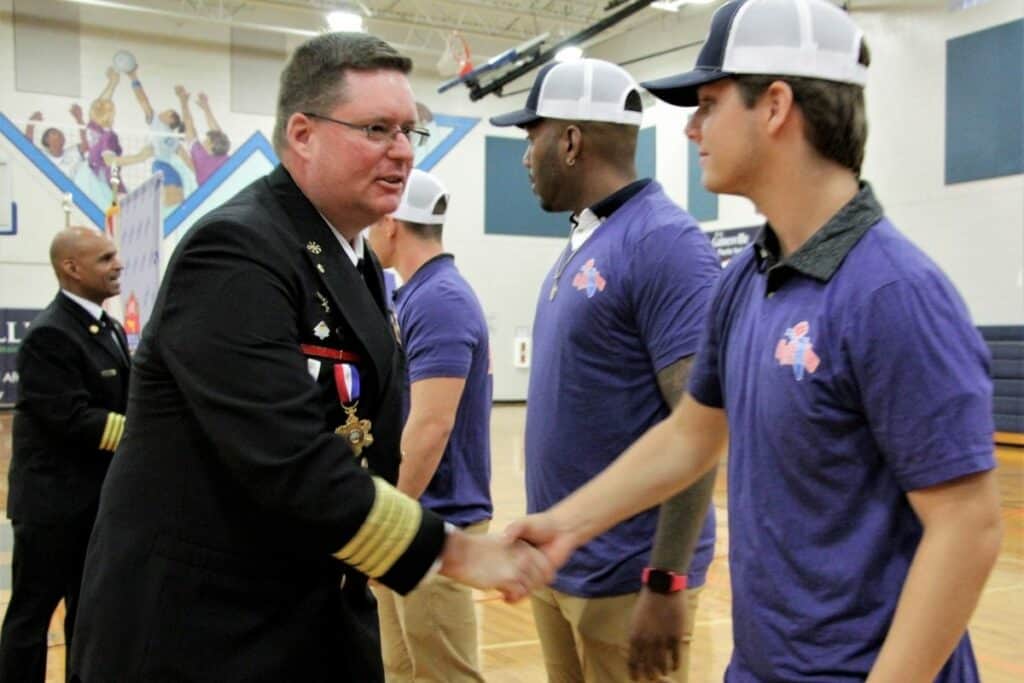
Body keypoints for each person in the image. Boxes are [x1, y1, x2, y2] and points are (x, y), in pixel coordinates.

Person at [508, 1, 1003, 681]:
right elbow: (691, 435)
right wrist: (562, 523)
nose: (690, 128)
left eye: (709, 103)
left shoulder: (894, 293)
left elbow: (968, 527)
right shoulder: (746, 278)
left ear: (774, 107)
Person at [67, 32, 550, 683]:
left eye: (411, 131)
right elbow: (287, 457)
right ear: (302, 133)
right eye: (378, 128)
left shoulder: (353, 263)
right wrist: (456, 551)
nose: (403, 151)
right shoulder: (235, 251)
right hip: (203, 632)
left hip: (305, 607)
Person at [490, 58, 721, 683]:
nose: (525, 156)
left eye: (531, 137)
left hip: (629, 581)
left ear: (569, 141)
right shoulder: (585, 240)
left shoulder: (665, 244)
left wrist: (667, 578)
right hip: (562, 567)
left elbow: (699, 427)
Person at [366, 169, 493, 682]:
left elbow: (430, 427)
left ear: (391, 222)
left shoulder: (439, 299)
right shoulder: (416, 294)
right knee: (402, 671)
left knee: (445, 676)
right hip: (412, 519)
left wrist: (384, 522)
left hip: (434, 524)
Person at [0, 227, 128, 683]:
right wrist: (143, 434)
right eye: (105, 258)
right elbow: (71, 418)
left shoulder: (105, 325)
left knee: (88, 612)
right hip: (52, 506)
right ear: (71, 268)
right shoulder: (49, 334)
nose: (119, 265)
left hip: (93, 501)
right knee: (31, 617)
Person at [108, 64, 196, 208]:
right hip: (162, 168)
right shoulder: (159, 128)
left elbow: (186, 158)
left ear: (171, 119)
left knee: (173, 207)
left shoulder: (166, 132)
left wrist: (133, 77)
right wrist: (133, 78)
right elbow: (143, 100)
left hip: (166, 169)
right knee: (171, 207)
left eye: (166, 112)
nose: (161, 112)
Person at [175, 86, 231, 184]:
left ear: (211, 146)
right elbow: (218, 134)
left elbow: (189, 125)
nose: (203, 142)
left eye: (206, 140)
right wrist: (206, 107)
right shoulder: (225, 159)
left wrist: (183, 101)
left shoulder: (202, 159)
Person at [23, 105, 88, 178]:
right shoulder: (43, 156)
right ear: (46, 140)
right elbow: (27, 147)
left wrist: (79, 118)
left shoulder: (73, 152)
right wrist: (31, 124)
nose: (59, 135)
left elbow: (86, 145)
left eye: (61, 134)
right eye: (54, 133)